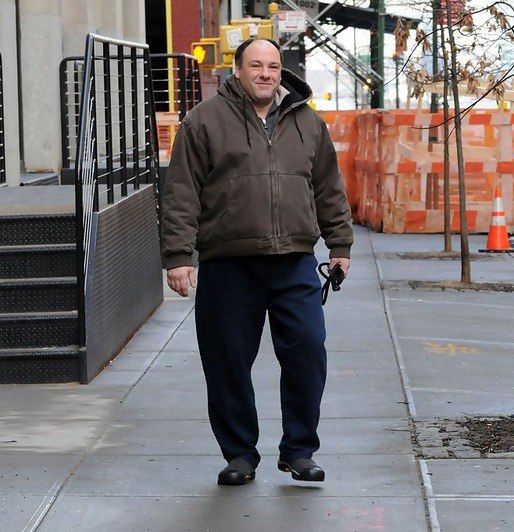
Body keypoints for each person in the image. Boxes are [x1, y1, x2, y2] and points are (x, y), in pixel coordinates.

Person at [161, 37, 353, 486]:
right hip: (229, 263)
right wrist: (177, 255)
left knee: (307, 351)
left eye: (272, 65)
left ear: (280, 70)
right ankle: (239, 454)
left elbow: (328, 187)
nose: (265, 73)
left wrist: (339, 246)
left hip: (294, 261)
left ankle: (299, 451)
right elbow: (181, 192)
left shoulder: (308, 122)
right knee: (227, 361)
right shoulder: (203, 121)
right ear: (239, 70)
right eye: (256, 65)